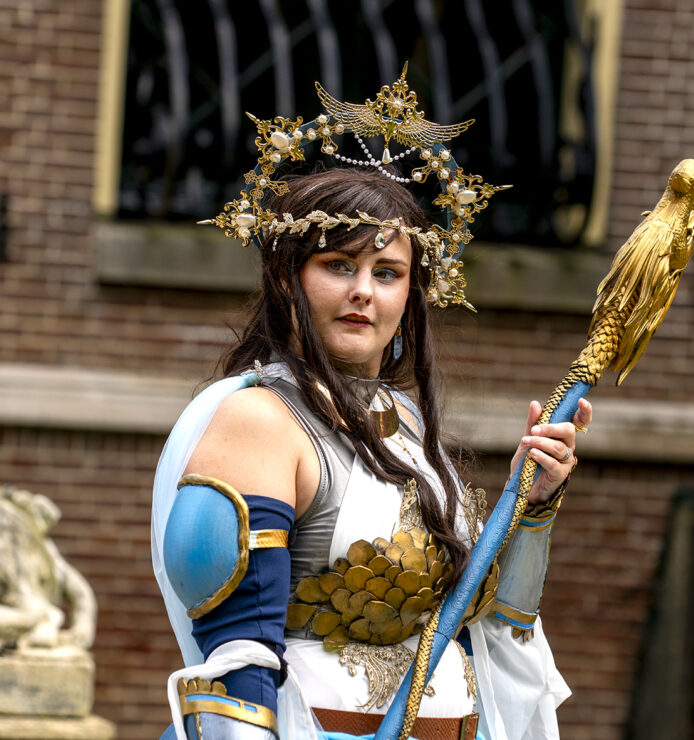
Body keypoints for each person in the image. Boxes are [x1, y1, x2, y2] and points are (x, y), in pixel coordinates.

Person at [151, 71, 591, 740]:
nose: (364, 291)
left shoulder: (406, 422)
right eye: (338, 265)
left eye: (387, 274)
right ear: (286, 278)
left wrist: (531, 506)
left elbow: (498, 620)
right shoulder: (260, 420)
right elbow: (234, 672)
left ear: (410, 295)